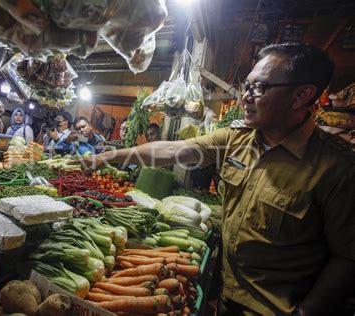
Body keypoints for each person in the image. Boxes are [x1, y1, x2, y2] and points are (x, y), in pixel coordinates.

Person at [69, 43, 355, 315]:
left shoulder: (336, 167)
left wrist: (307, 312)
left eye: (260, 87)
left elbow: (347, 257)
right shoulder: (235, 140)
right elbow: (174, 150)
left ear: (301, 95)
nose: (246, 95)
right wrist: (108, 157)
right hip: (226, 296)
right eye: (247, 85)